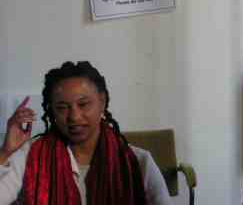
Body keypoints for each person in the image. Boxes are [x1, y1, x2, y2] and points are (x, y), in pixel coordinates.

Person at [0, 61, 172, 205]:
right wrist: (6, 152)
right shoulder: (31, 154)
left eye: (83, 104)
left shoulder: (137, 162)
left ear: (102, 101)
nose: (74, 116)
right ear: (52, 110)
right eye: (62, 108)